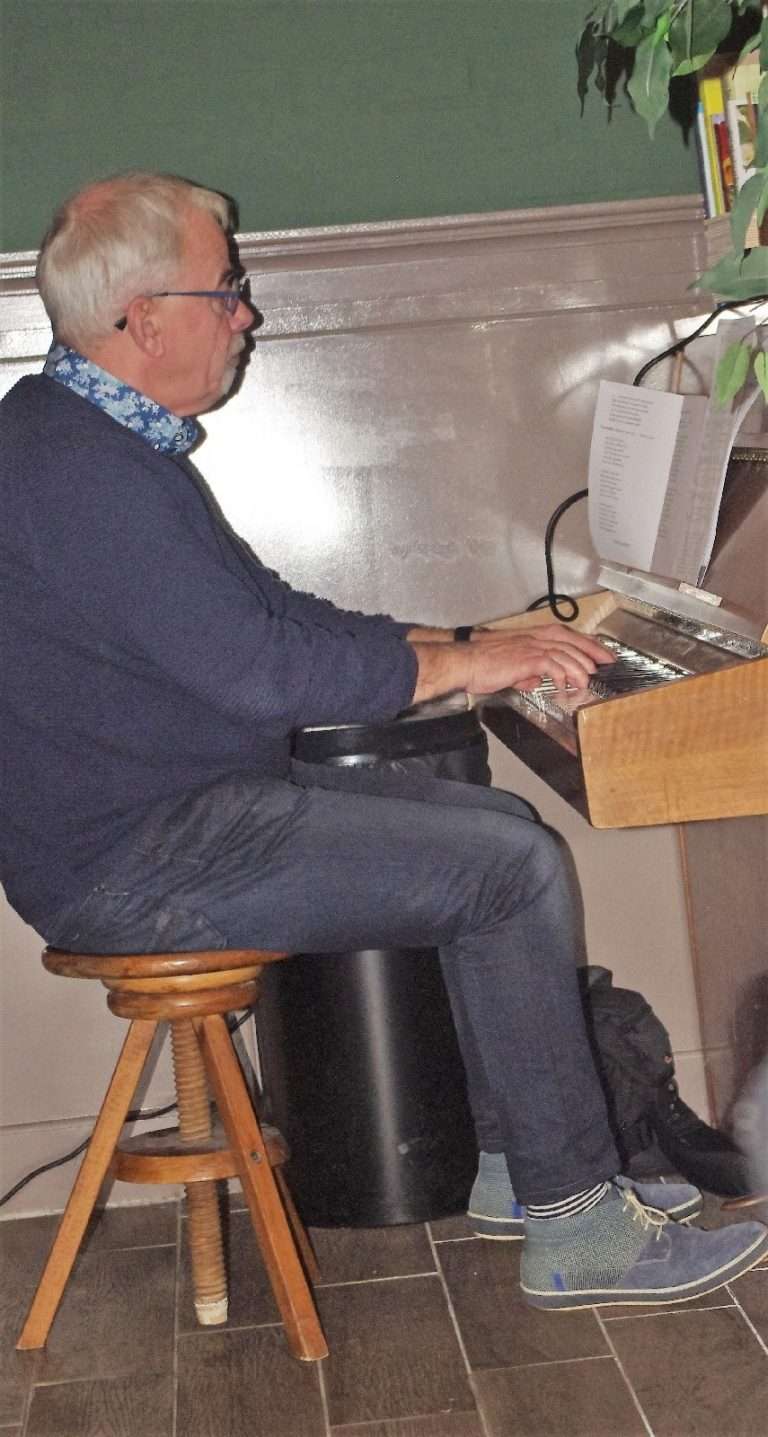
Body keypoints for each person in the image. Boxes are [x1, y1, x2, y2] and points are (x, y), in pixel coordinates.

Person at [1, 171, 766, 1311]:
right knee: (508, 868)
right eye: (227, 289)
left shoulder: (91, 446)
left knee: (498, 831)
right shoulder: (78, 473)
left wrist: (464, 639)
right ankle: (579, 1228)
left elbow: (272, 616)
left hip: (165, 820)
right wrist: (463, 665)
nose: (247, 313)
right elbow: (262, 672)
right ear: (144, 317)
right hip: (137, 858)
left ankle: (522, 1174)